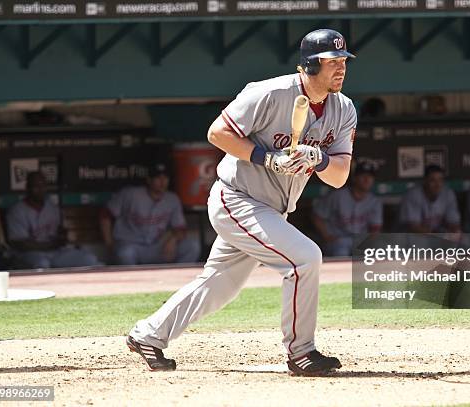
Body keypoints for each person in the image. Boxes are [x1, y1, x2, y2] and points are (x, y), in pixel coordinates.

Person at [125, 29, 357, 376]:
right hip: (237, 198)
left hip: (274, 209)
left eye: (343, 62)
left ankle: (148, 335)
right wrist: (268, 158)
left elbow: (338, 176)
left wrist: (317, 159)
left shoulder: (344, 109)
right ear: (310, 65)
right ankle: (301, 352)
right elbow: (217, 133)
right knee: (304, 259)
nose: (340, 68)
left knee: (220, 285)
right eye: (332, 62)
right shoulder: (269, 92)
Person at [100, 163, 200, 265]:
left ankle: (177, 279)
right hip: (132, 245)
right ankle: (132, 280)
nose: (162, 182)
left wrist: (173, 239)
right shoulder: (130, 194)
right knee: (125, 253)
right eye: (158, 178)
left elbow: (181, 228)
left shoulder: (172, 199)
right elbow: (105, 214)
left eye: (165, 178)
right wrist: (109, 243)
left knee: (191, 246)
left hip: (157, 248)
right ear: (149, 180)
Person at [6, 172, 100, 269]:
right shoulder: (17, 211)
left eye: (43, 186)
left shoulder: (52, 208)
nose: (40, 190)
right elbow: (21, 245)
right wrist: (50, 245)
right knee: (42, 264)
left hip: (55, 253)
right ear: (27, 188)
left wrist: (62, 236)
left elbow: (59, 237)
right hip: (29, 254)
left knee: (89, 259)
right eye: (36, 186)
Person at [312, 161, 382, 256]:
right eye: (363, 175)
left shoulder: (374, 201)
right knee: (341, 250)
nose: (367, 179)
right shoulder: (337, 196)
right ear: (355, 178)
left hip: (360, 241)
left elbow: (375, 229)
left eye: (370, 176)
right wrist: (327, 236)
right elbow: (317, 216)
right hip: (339, 240)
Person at [398, 165, 460, 234]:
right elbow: (413, 227)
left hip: (435, 235)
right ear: (425, 181)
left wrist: (455, 231)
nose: (437, 185)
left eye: (440, 180)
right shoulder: (413, 195)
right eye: (433, 180)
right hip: (409, 237)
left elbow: (453, 222)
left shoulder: (448, 194)